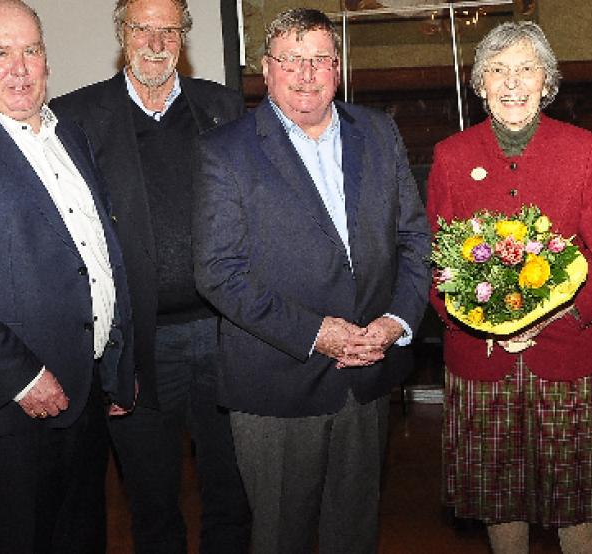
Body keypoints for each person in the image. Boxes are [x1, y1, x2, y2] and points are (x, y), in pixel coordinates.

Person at [193, 8, 431, 553]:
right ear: (266, 69)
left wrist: (395, 321)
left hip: (366, 374)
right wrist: (315, 333)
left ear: (338, 67)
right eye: (291, 60)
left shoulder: (379, 132)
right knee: (282, 538)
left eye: (320, 59)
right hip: (277, 384)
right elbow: (219, 272)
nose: (306, 74)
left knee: (354, 535)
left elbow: (414, 240)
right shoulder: (224, 151)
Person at [50, 0, 250, 551]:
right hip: (135, 346)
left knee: (231, 493)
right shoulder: (74, 117)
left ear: (185, 36)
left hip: (223, 335)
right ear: (122, 34)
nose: (157, 43)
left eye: (170, 30)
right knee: (151, 500)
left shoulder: (224, 107)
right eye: (143, 29)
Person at [427, 22, 592, 554]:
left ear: (547, 81)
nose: (512, 83)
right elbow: (433, 267)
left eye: (525, 69)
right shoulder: (451, 156)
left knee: (577, 511)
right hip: (481, 361)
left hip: (566, 356)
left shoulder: (584, 150)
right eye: (498, 70)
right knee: (500, 506)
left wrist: (561, 313)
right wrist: (481, 322)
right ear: (480, 83)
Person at [0, 1, 136, 552]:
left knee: (82, 535)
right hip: (17, 409)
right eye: (0, 53)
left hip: (87, 392)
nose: (19, 67)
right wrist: (19, 377)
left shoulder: (71, 137)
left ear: (47, 61)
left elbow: (100, 256)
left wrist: (119, 361)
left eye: (30, 50)